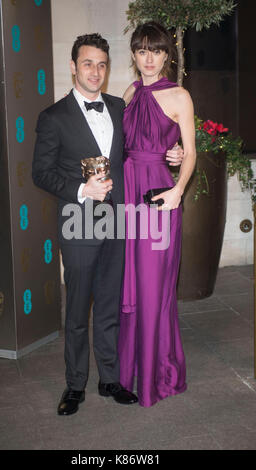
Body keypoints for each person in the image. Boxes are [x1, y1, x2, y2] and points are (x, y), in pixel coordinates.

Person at [32, 33, 183, 416]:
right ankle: (75, 384)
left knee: (111, 306)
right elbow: (41, 174)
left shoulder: (121, 105)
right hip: (79, 220)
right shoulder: (52, 117)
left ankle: (110, 379)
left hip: (120, 221)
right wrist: (81, 188)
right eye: (87, 63)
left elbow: (148, 145)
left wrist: (174, 153)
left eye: (101, 64)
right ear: (73, 66)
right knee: (78, 307)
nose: (95, 71)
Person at [118, 22, 196, 407]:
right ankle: (130, 370)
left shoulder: (180, 95)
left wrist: (177, 191)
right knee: (128, 285)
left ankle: (156, 376)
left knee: (152, 288)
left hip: (157, 198)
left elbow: (190, 151)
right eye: (142, 50)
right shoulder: (129, 92)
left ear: (167, 55)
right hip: (127, 195)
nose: (149, 58)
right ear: (134, 56)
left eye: (156, 51)